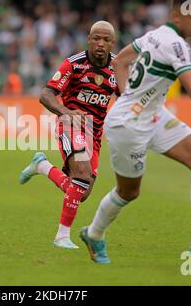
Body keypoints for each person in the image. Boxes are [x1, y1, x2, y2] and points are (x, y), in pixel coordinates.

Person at [79, 0, 191, 264]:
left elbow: (118, 62)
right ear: (176, 16)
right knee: (128, 192)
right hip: (129, 126)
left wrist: (129, 95)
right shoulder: (177, 46)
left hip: (153, 115)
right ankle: (94, 233)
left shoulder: (154, 35)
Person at [19, 21, 120, 249]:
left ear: (112, 43)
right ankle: (62, 237)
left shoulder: (118, 68)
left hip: (94, 134)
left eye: (105, 40)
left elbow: (125, 99)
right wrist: (66, 112)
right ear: (89, 39)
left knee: (80, 192)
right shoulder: (74, 65)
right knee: (82, 175)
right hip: (70, 124)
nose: (100, 44)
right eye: (96, 38)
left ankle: (42, 166)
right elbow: (46, 94)